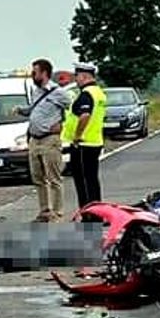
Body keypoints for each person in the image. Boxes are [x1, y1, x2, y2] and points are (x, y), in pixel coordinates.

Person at [23, 57, 69, 221]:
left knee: (54, 177)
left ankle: (57, 212)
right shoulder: (35, 92)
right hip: (35, 140)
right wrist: (21, 111)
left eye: (34, 72)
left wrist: (62, 123)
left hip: (50, 139)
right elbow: (33, 110)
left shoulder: (59, 93)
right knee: (38, 177)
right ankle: (44, 210)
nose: (32, 75)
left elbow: (71, 109)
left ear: (44, 73)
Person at [63, 61, 107, 209]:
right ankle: (97, 211)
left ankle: (89, 213)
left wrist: (76, 135)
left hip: (83, 143)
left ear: (84, 76)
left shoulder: (86, 94)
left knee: (83, 181)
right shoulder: (98, 93)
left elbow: (85, 116)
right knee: (92, 179)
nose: (76, 79)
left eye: (77, 76)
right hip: (94, 141)